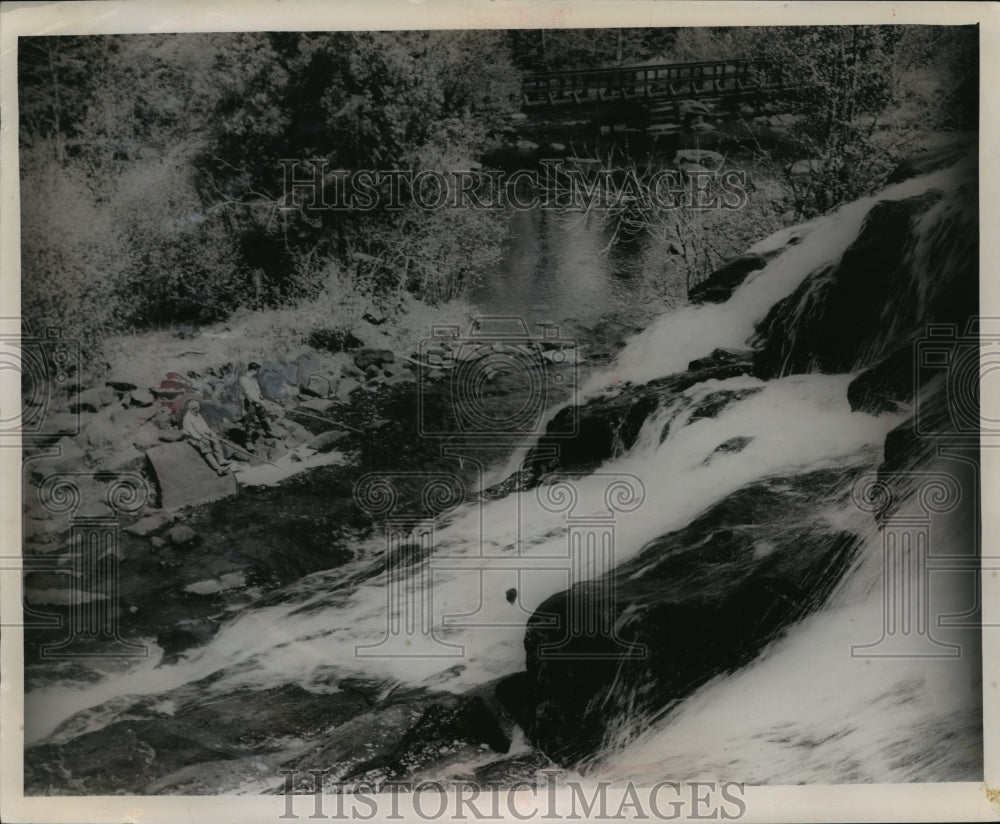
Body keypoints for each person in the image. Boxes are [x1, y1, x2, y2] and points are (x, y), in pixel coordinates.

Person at [181, 399, 232, 475]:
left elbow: (204, 427)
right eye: (198, 407)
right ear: (193, 408)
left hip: (202, 434)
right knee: (205, 444)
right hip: (192, 437)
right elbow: (192, 432)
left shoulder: (198, 415)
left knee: (214, 439)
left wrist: (210, 432)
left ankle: (221, 460)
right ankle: (218, 468)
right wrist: (201, 438)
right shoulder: (187, 418)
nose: (199, 408)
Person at [238, 362, 280, 438]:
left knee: (263, 417)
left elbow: (257, 391)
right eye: (257, 370)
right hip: (250, 403)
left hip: (258, 402)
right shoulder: (243, 379)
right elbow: (249, 395)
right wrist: (261, 403)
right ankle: (248, 440)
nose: (258, 372)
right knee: (251, 421)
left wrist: (261, 397)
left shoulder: (253, 379)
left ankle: (269, 432)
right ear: (253, 370)